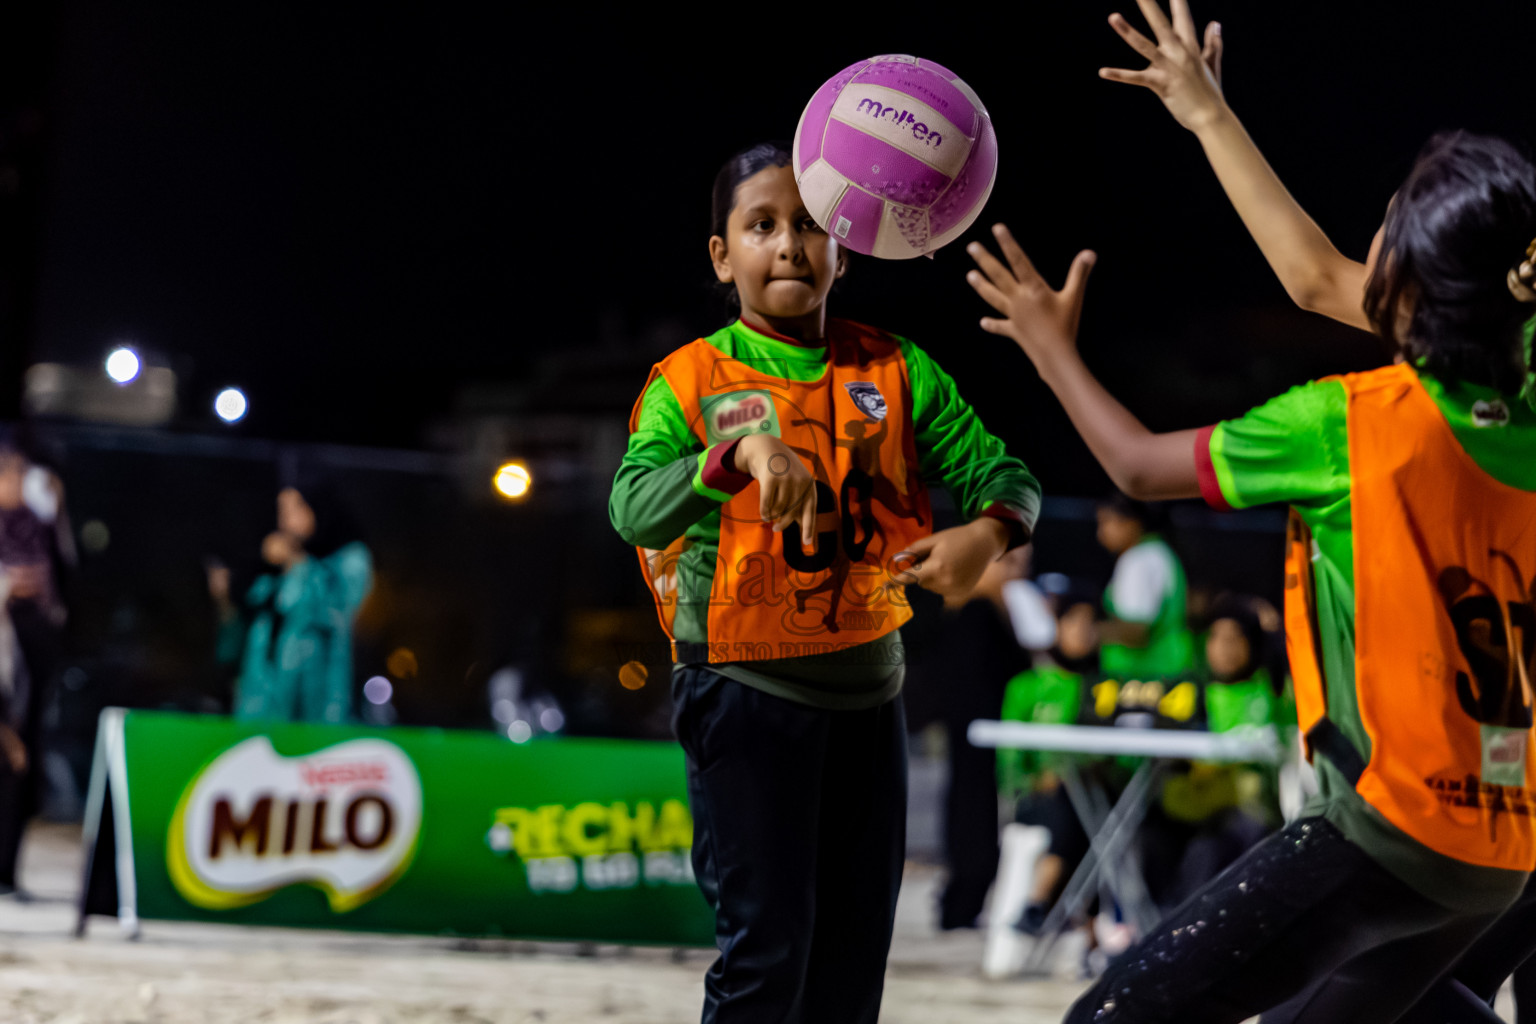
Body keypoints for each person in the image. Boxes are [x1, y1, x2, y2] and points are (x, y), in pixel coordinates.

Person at [961, 2, 1536, 1020]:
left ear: (1407, 280)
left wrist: (1049, 346)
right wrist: (1205, 112)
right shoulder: (1521, 402)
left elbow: (1138, 466)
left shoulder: (1350, 422)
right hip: (1504, 841)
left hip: (1390, 827)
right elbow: (1318, 278)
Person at [609, 142, 1041, 1023]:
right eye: (761, 225)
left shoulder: (896, 368)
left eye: (811, 226)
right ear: (723, 255)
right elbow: (631, 507)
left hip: (869, 697)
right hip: (743, 690)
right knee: (767, 959)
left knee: (850, 973)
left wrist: (986, 535)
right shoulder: (689, 381)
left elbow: (1009, 473)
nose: (790, 246)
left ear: (846, 247)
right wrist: (737, 453)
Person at [233, 484, 372, 723]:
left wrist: (297, 565)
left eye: (296, 508)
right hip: (270, 715)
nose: (286, 520)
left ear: (316, 508)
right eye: (281, 510)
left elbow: (337, 610)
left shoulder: (348, 559)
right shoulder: (272, 568)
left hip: (325, 710)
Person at [1081, 494, 1195, 682]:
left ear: (1133, 522)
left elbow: (1135, 631)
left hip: (1143, 682)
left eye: (1107, 522)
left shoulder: (1138, 560)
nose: (1100, 533)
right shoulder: (1159, 551)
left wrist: (1090, 632)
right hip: (1168, 674)